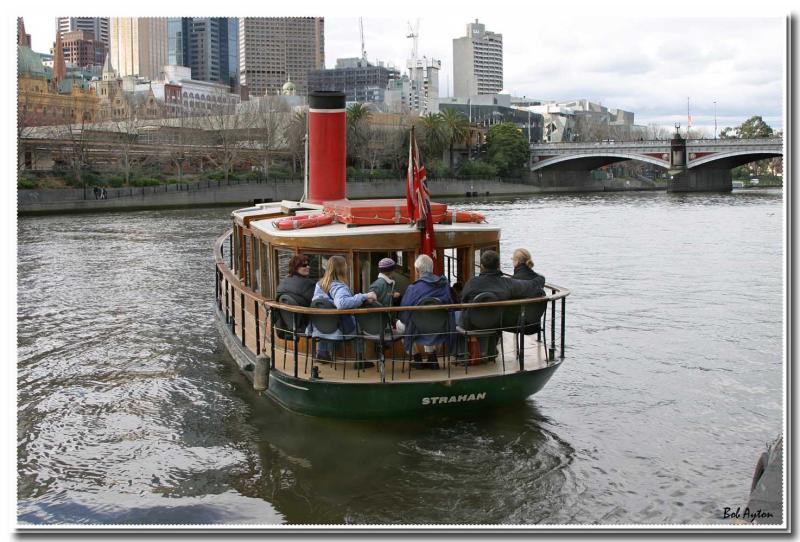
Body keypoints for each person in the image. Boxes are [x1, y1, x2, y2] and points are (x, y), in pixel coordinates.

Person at [460, 250, 544, 362]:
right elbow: (530, 286)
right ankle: (491, 352)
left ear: (482, 266)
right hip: (496, 323)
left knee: (455, 316)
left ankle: (461, 354)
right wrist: (541, 278)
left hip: (472, 323)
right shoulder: (507, 283)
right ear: (498, 265)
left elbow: (462, 300)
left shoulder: (472, 283)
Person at [311, 255, 377, 366]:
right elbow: (341, 303)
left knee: (325, 315)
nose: (347, 267)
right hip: (337, 329)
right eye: (345, 265)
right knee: (359, 327)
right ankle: (359, 360)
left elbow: (322, 304)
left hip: (320, 327)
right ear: (341, 268)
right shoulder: (339, 286)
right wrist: (365, 296)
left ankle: (322, 353)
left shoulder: (320, 284)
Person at [398, 254, 456, 369]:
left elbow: (404, 313)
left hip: (420, 327)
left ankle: (416, 357)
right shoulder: (444, 285)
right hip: (441, 326)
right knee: (430, 322)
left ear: (417, 271)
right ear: (432, 268)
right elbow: (452, 307)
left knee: (400, 324)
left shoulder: (413, 288)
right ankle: (432, 357)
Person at [367, 257, 405, 333]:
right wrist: (384, 310)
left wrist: (393, 296)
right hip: (379, 322)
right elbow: (369, 300)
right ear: (391, 271)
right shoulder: (378, 284)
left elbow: (385, 296)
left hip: (385, 322)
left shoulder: (388, 283)